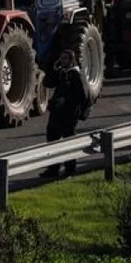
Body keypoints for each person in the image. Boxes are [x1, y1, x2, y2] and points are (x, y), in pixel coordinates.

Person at [40, 49, 90, 178]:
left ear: (71, 60)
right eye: (61, 58)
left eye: (65, 59)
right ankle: (53, 168)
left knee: (68, 140)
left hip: (69, 113)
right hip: (57, 113)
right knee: (52, 139)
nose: (63, 61)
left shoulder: (76, 74)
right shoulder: (61, 73)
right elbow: (48, 83)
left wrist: (79, 112)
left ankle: (70, 169)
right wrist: (54, 69)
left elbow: (84, 96)